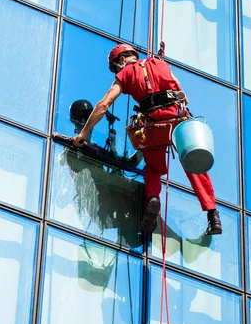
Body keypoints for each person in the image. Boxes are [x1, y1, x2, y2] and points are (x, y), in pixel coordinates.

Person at [72, 43, 222, 235]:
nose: (116, 71)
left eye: (115, 67)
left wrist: (83, 134)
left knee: (153, 169)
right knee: (192, 161)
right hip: (176, 120)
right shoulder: (160, 64)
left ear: (121, 60)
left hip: (152, 126)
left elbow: (104, 104)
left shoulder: (125, 74)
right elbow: (184, 98)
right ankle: (212, 214)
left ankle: (153, 200)